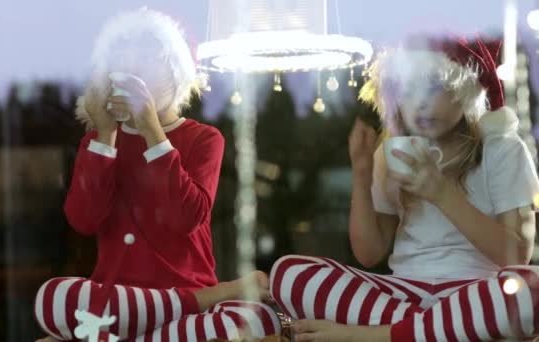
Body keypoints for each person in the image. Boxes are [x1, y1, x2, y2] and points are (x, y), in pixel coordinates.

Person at [269, 36, 539, 341]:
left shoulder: (501, 147)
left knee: (531, 286)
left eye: (433, 87)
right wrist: (361, 172)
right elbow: (369, 254)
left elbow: (516, 255)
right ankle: (438, 331)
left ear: (464, 92)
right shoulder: (392, 154)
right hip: (405, 293)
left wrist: (441, 193)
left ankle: (373, 335)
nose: (420, 102)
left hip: (474, 290)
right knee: (288, 272)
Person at [34, 8, 279, 341]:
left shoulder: (204, 139)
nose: (134, 74)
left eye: (147, 64)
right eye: (124, 65)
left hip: (186, 306)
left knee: (257, 319)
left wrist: (151, 129)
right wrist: (105, 136)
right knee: (53, 297)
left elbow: (186, 218)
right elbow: (83, 220)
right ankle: (208, 299)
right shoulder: (99, 139)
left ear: (176, 73)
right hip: (116, 304)